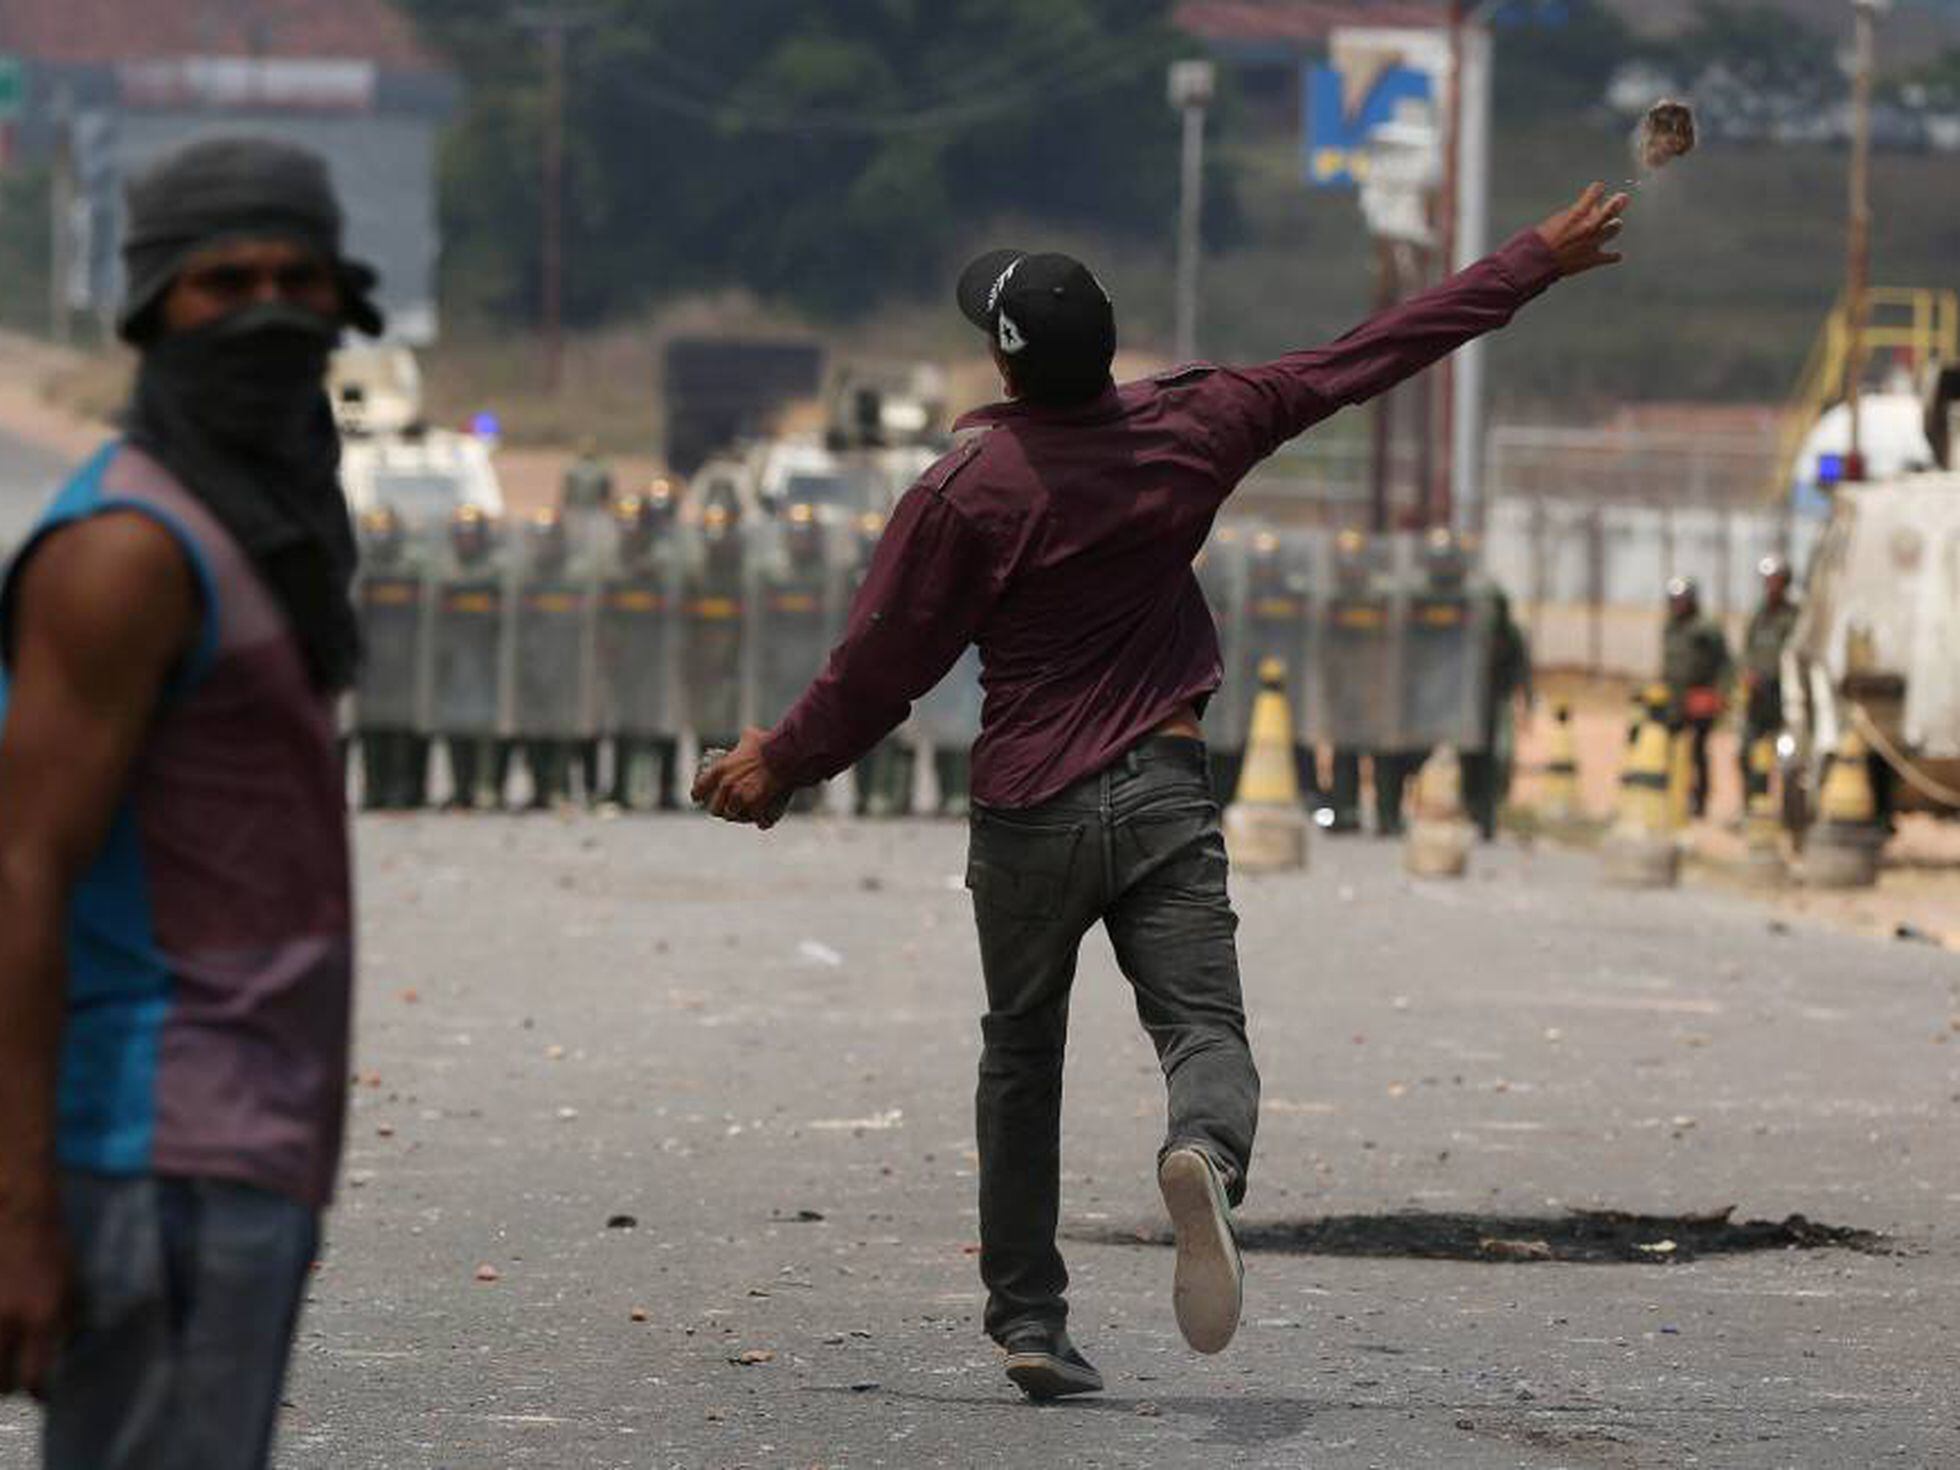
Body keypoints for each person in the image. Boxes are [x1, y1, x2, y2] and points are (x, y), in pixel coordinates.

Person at [695, 184, 1628, 1398]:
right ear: (1111, 348)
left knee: (1020, 1057)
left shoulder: (962, 489)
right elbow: (1369, 354)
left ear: (1004, 361)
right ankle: (1203, 1153)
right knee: (1202, 1032)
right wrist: (1530, 261)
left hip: (1029, 809)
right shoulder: (1198, 424)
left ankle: (1029, 1319)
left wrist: (781, 762)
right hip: (1162, 790)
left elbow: (885, 662)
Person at [0, 136, 380, 1468]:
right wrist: (19, 1207)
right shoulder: (125, 552)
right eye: (228, 282)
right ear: (157, 305)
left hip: (247, 1139)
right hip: (152, 1143)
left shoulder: (263, 521)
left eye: (299, 277)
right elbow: (20, 870)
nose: (270, 310)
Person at [1660, 575, 1732, 819]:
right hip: (1674, 699)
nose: (1678, 605)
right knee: (1671, 748)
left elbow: (1725, 662)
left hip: (1699, 697)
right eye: (1674, 600)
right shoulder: (1670, 627)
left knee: (1697, 751)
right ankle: (1674, 794)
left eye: (1682, 600)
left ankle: (1699, 801)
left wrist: (1721, 693)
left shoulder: (1706, 628)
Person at [1737, 554, 1798, 792]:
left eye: (1777, 580)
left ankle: (1787, 808)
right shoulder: (1757, 616)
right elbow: (1747, 651)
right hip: (1757, 698)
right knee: (1748, 752)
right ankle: (1753, 803)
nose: (1772, 585)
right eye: (1768, 580)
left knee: (1788, 754)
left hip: (1783, 698)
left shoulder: (1794, 617)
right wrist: (1747, 673)